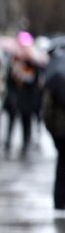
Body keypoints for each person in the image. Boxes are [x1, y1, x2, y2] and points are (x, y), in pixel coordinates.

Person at [41, 51, 65, 210]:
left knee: (62, 166)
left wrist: (53, 132)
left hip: (60, 133)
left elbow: (46, 111)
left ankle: (59, 202)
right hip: (60, 132)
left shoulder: (55, 78)